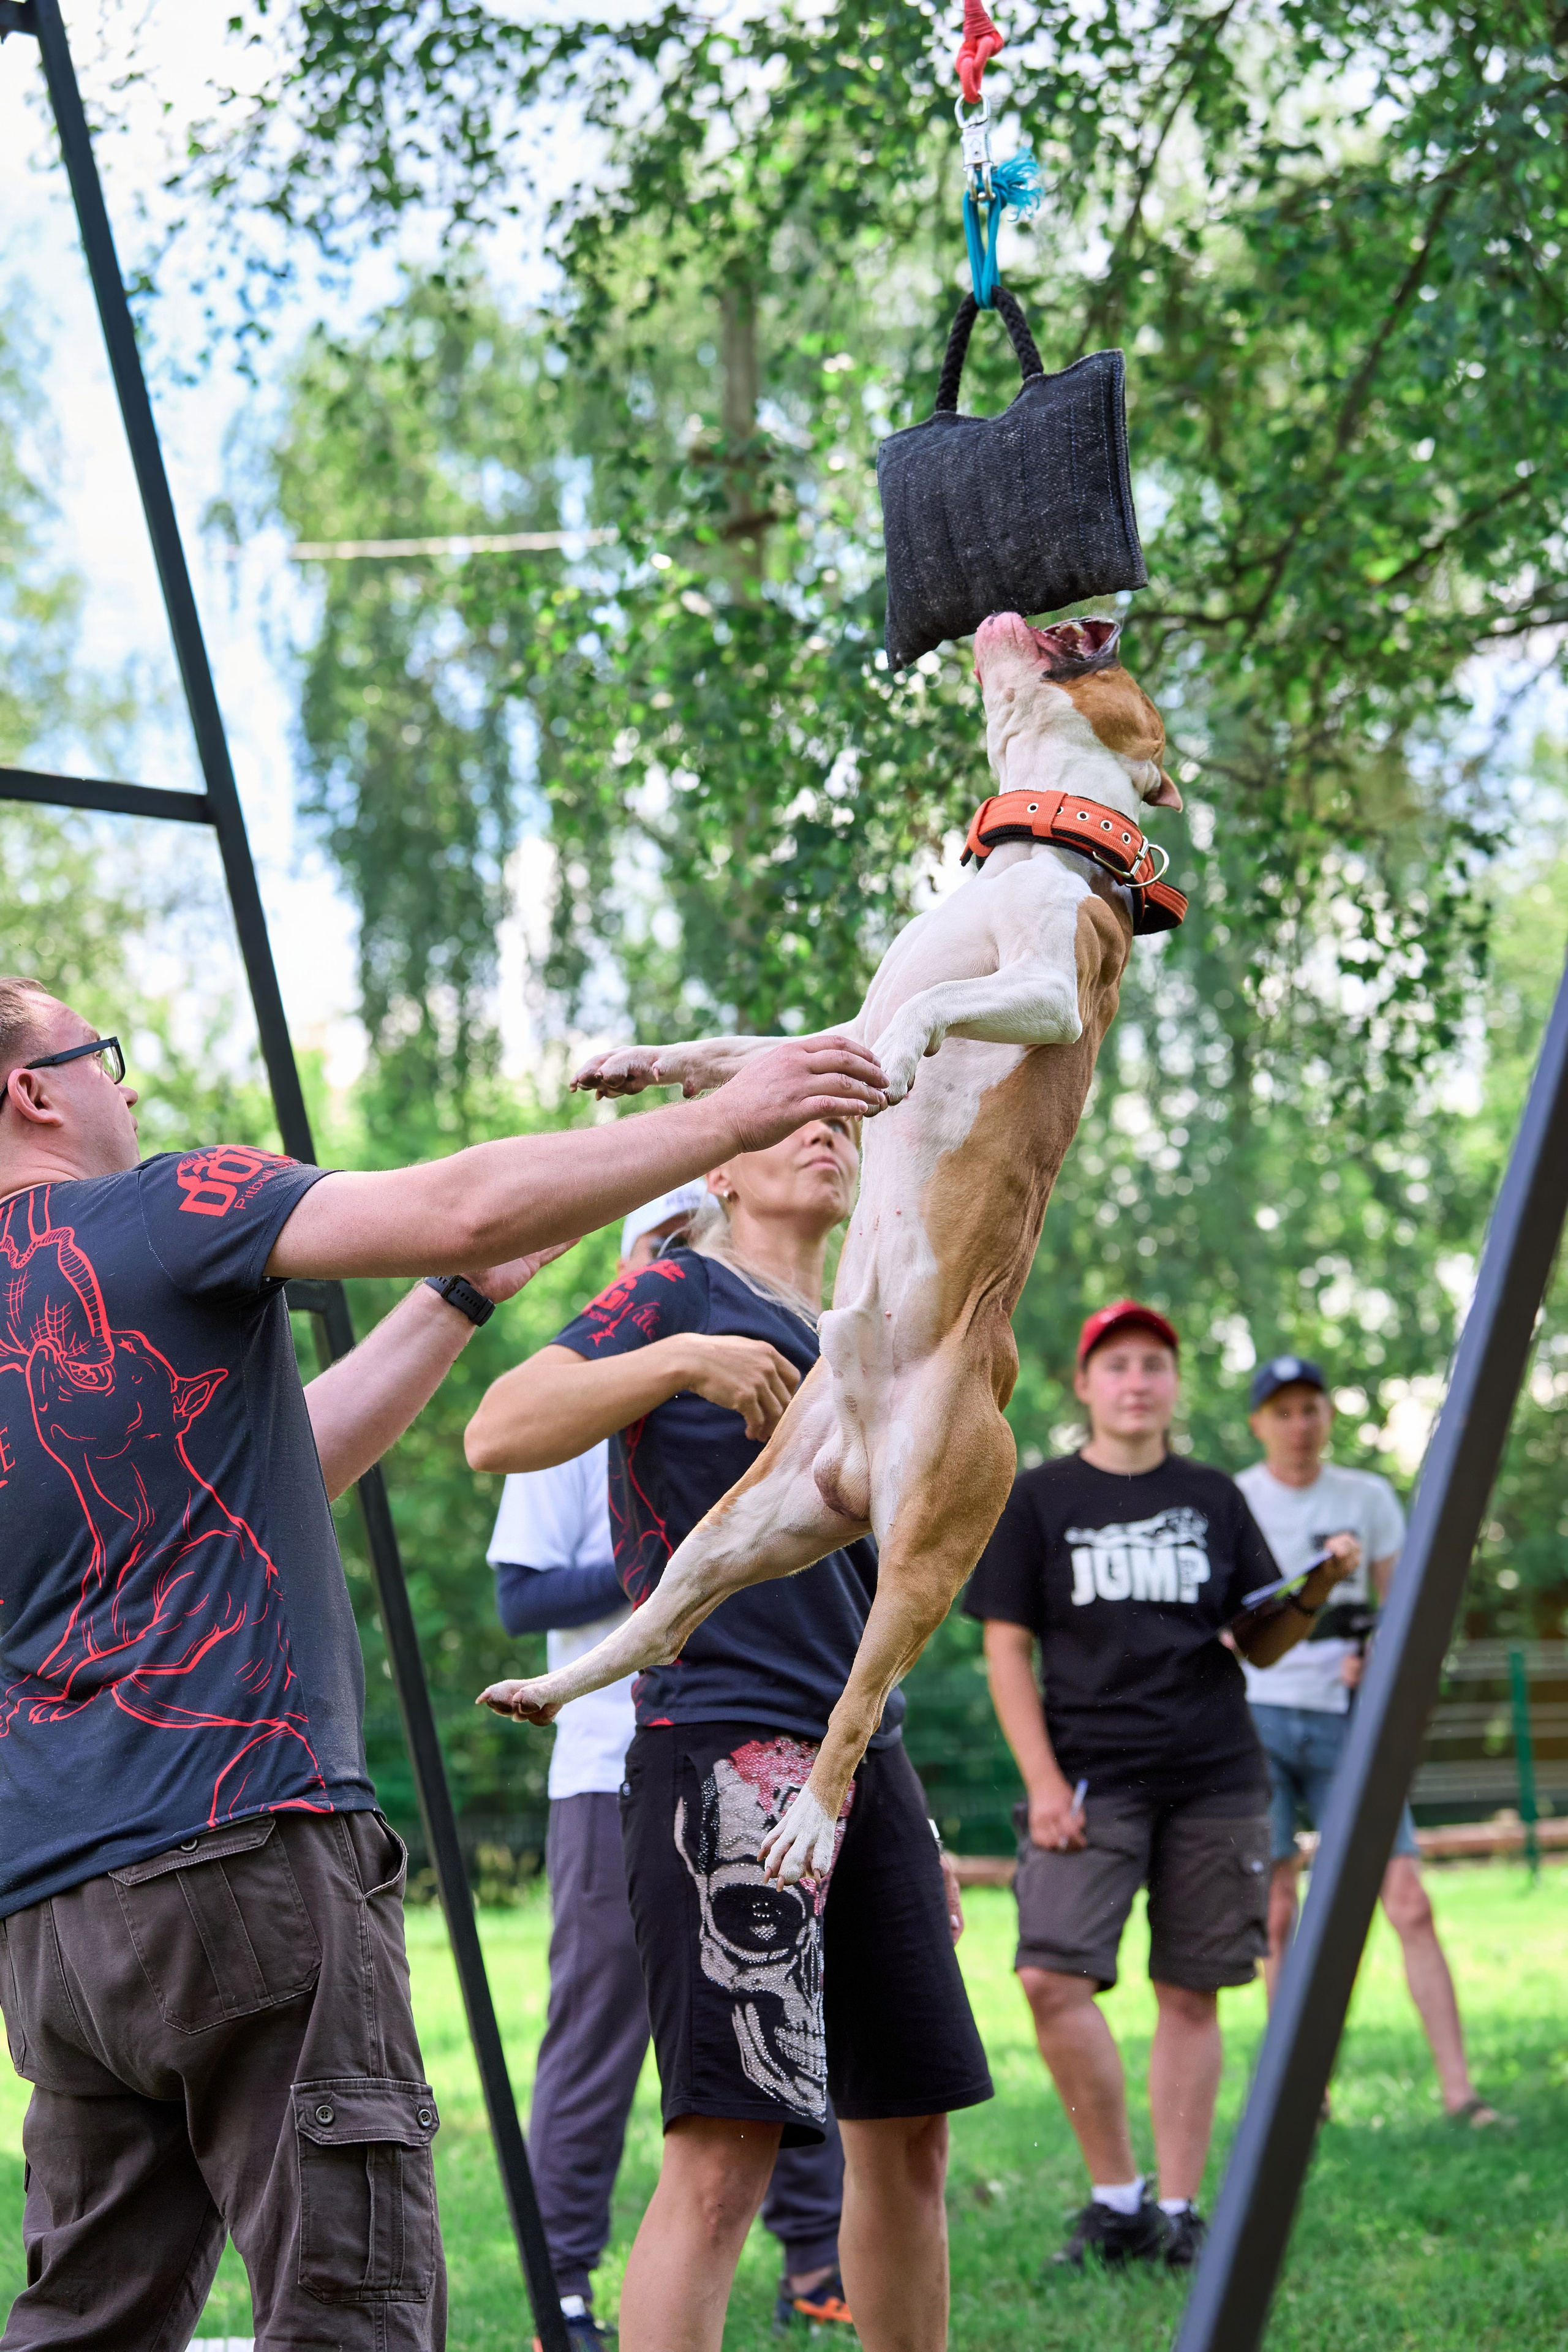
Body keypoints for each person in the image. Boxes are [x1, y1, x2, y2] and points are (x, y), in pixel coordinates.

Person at [0, 973, 887, 2352]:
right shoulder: (163, 1206)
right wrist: (733, 1113)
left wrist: (459, 1301)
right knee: (351, 2313)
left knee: (90, 2320)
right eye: (105, 1058)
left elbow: (279, 1461)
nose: (133, 1088)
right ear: (33, 1089)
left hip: (52, 1916)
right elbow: (463, 1197)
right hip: (237, 1850)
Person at [466, 1115, 989, 2352]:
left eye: (838, 1127)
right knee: (723, 2156)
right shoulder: (674, 1289)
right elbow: (498, 1426)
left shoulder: (873, 1329)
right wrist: (681, 1360)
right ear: (722, 1167)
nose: (824, 1137)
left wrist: (890, 1786)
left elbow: (888, 1585)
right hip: (719, 1751)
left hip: (861, 1761)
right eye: (788, 1122)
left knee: (908, 2136)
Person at [478, 1186, 853, 2349]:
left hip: (800, 1742)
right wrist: (712, 1545)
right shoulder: (618, 1375)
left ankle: (815, 2260)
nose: (673, 1260)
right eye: (657, 1247)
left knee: (794, 2025)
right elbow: (522, 1591)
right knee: (602, 2028)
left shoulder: (790, 1362)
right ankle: (564, 2280)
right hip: (611, 1753)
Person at [964, 1300, 1359, 2274]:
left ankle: (1180, 2214)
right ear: (1087, 1386)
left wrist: (1312, 1588)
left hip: (1217, 1776)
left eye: (1155, 1365)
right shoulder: (1039, 1495)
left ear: (1175, 1385)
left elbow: (1257, 1639)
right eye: (1118, 1365)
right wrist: (1044, 1783)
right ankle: (1118, 2202)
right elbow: (1005, 1648)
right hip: (1091, 1779)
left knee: (1192, 1992)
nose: (1137, 1381)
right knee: (1050, 1977)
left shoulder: (1215, 1496)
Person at [1240, 1352, 1505, 2128]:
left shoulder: (1368, 1498)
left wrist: (1378, 1655)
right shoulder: (1237, 1502)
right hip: (1262, 1720)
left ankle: (1460, 2093)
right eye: (1282, 1411)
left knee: (1409, 1900)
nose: (1299, 1424)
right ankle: (1301, 2092)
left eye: (1311, 1408)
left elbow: (1408, 1613)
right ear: (1259, 1423)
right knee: (1278, 1907)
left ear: (1328, 1417)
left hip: (1351, 1726)